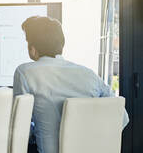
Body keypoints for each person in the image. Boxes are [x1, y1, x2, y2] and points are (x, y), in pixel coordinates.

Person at [13, 16, 129, 153]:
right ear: (61, 44)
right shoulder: (89, 74)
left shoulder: (25, 72)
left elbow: (20, 127)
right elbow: (122, 117)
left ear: (32, 48)